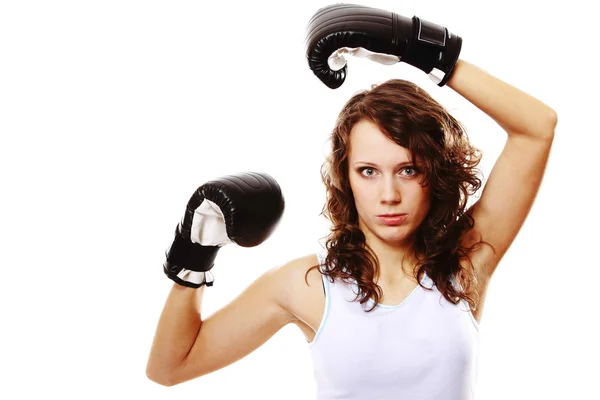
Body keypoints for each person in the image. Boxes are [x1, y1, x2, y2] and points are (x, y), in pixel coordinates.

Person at [146, 4, 557, 399]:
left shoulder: (466, 261)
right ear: (346, 177)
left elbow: (537, 127)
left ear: (434, 175)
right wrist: (195, 251)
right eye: (369, 171)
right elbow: (170, 367)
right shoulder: (308, 284)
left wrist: (422, 50)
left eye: (409, 169)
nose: (390, 195)